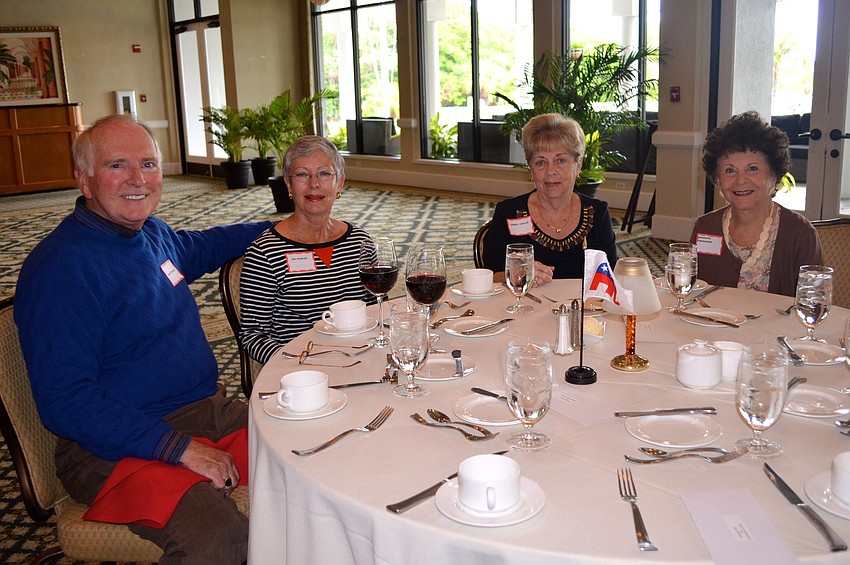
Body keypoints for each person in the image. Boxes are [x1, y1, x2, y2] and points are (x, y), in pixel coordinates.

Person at [14, 115, 274, 563]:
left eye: (149, 164)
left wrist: (283, 228)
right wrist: (178, 449)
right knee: (219, 539)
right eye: (117, 165)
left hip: (203, 412)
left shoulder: (150, 233)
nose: (138, 179)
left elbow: (203, 246)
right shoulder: (61, 270)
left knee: (317, 454)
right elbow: (66, 400)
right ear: (84, 179)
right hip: (109, 447)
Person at [239, 135, 374, 363]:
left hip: (361, 359)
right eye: (302, 174)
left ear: (340, 183)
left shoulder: (360, 243)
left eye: (324, 173)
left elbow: (376, 311)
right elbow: (253, 335)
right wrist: (298, 360)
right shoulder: (265, 252)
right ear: (288, 184)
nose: (314, 184)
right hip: (302, 370)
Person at [691, 111, 822, 296]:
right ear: (718, 181)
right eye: (729, 170)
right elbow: (692, 292)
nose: (740, 180)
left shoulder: (800, 234)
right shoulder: (705, 227)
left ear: (773, 176)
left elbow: (812, 301)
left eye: (752, 169)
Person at [482, 113, 618, 284]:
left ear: (578, 165)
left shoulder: (597, 213)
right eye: (541, 162)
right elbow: (490, 276)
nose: (550, 171)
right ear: (530, 168)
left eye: (560, 161)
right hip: (524, 301)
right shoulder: (508, 212)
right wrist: (517, 275)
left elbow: (611, 275)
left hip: (584, 302)